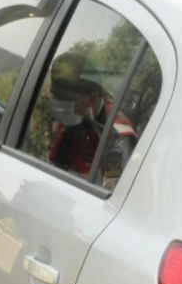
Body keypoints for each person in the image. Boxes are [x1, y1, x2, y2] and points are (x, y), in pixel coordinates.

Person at [46, 52, 135, 187]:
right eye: (54, 95)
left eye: (65, 99)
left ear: (92, 99)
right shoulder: (71, 118)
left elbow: (110, 194)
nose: (57, 104)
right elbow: (54, 166)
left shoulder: (117, 139)